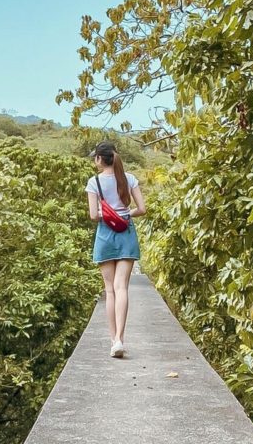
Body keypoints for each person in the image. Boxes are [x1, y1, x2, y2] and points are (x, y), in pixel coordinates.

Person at [85, 141, 146, 359]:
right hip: (126, 234)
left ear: (100, 159)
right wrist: (125, 213)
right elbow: (142, 209)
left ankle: (114, 341)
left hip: (105, 235)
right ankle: (121, 337)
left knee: (109, 290)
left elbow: (93, 215)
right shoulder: (129, 178)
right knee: (122, 289)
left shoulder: (94, 182)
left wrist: (107, 214)